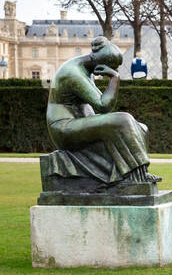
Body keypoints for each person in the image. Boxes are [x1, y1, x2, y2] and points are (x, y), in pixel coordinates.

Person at [45, 37, 158, 184]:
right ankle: (137, 177)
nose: (114, 70)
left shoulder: (85, 70)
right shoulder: (73, 73)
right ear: (101, 65)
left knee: (141, 128)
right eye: (113, 67)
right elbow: (104, 106)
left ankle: (139, 175)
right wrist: (114, 78)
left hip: (78, 122)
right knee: (124, 119)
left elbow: (99, 104)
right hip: (63, 128)